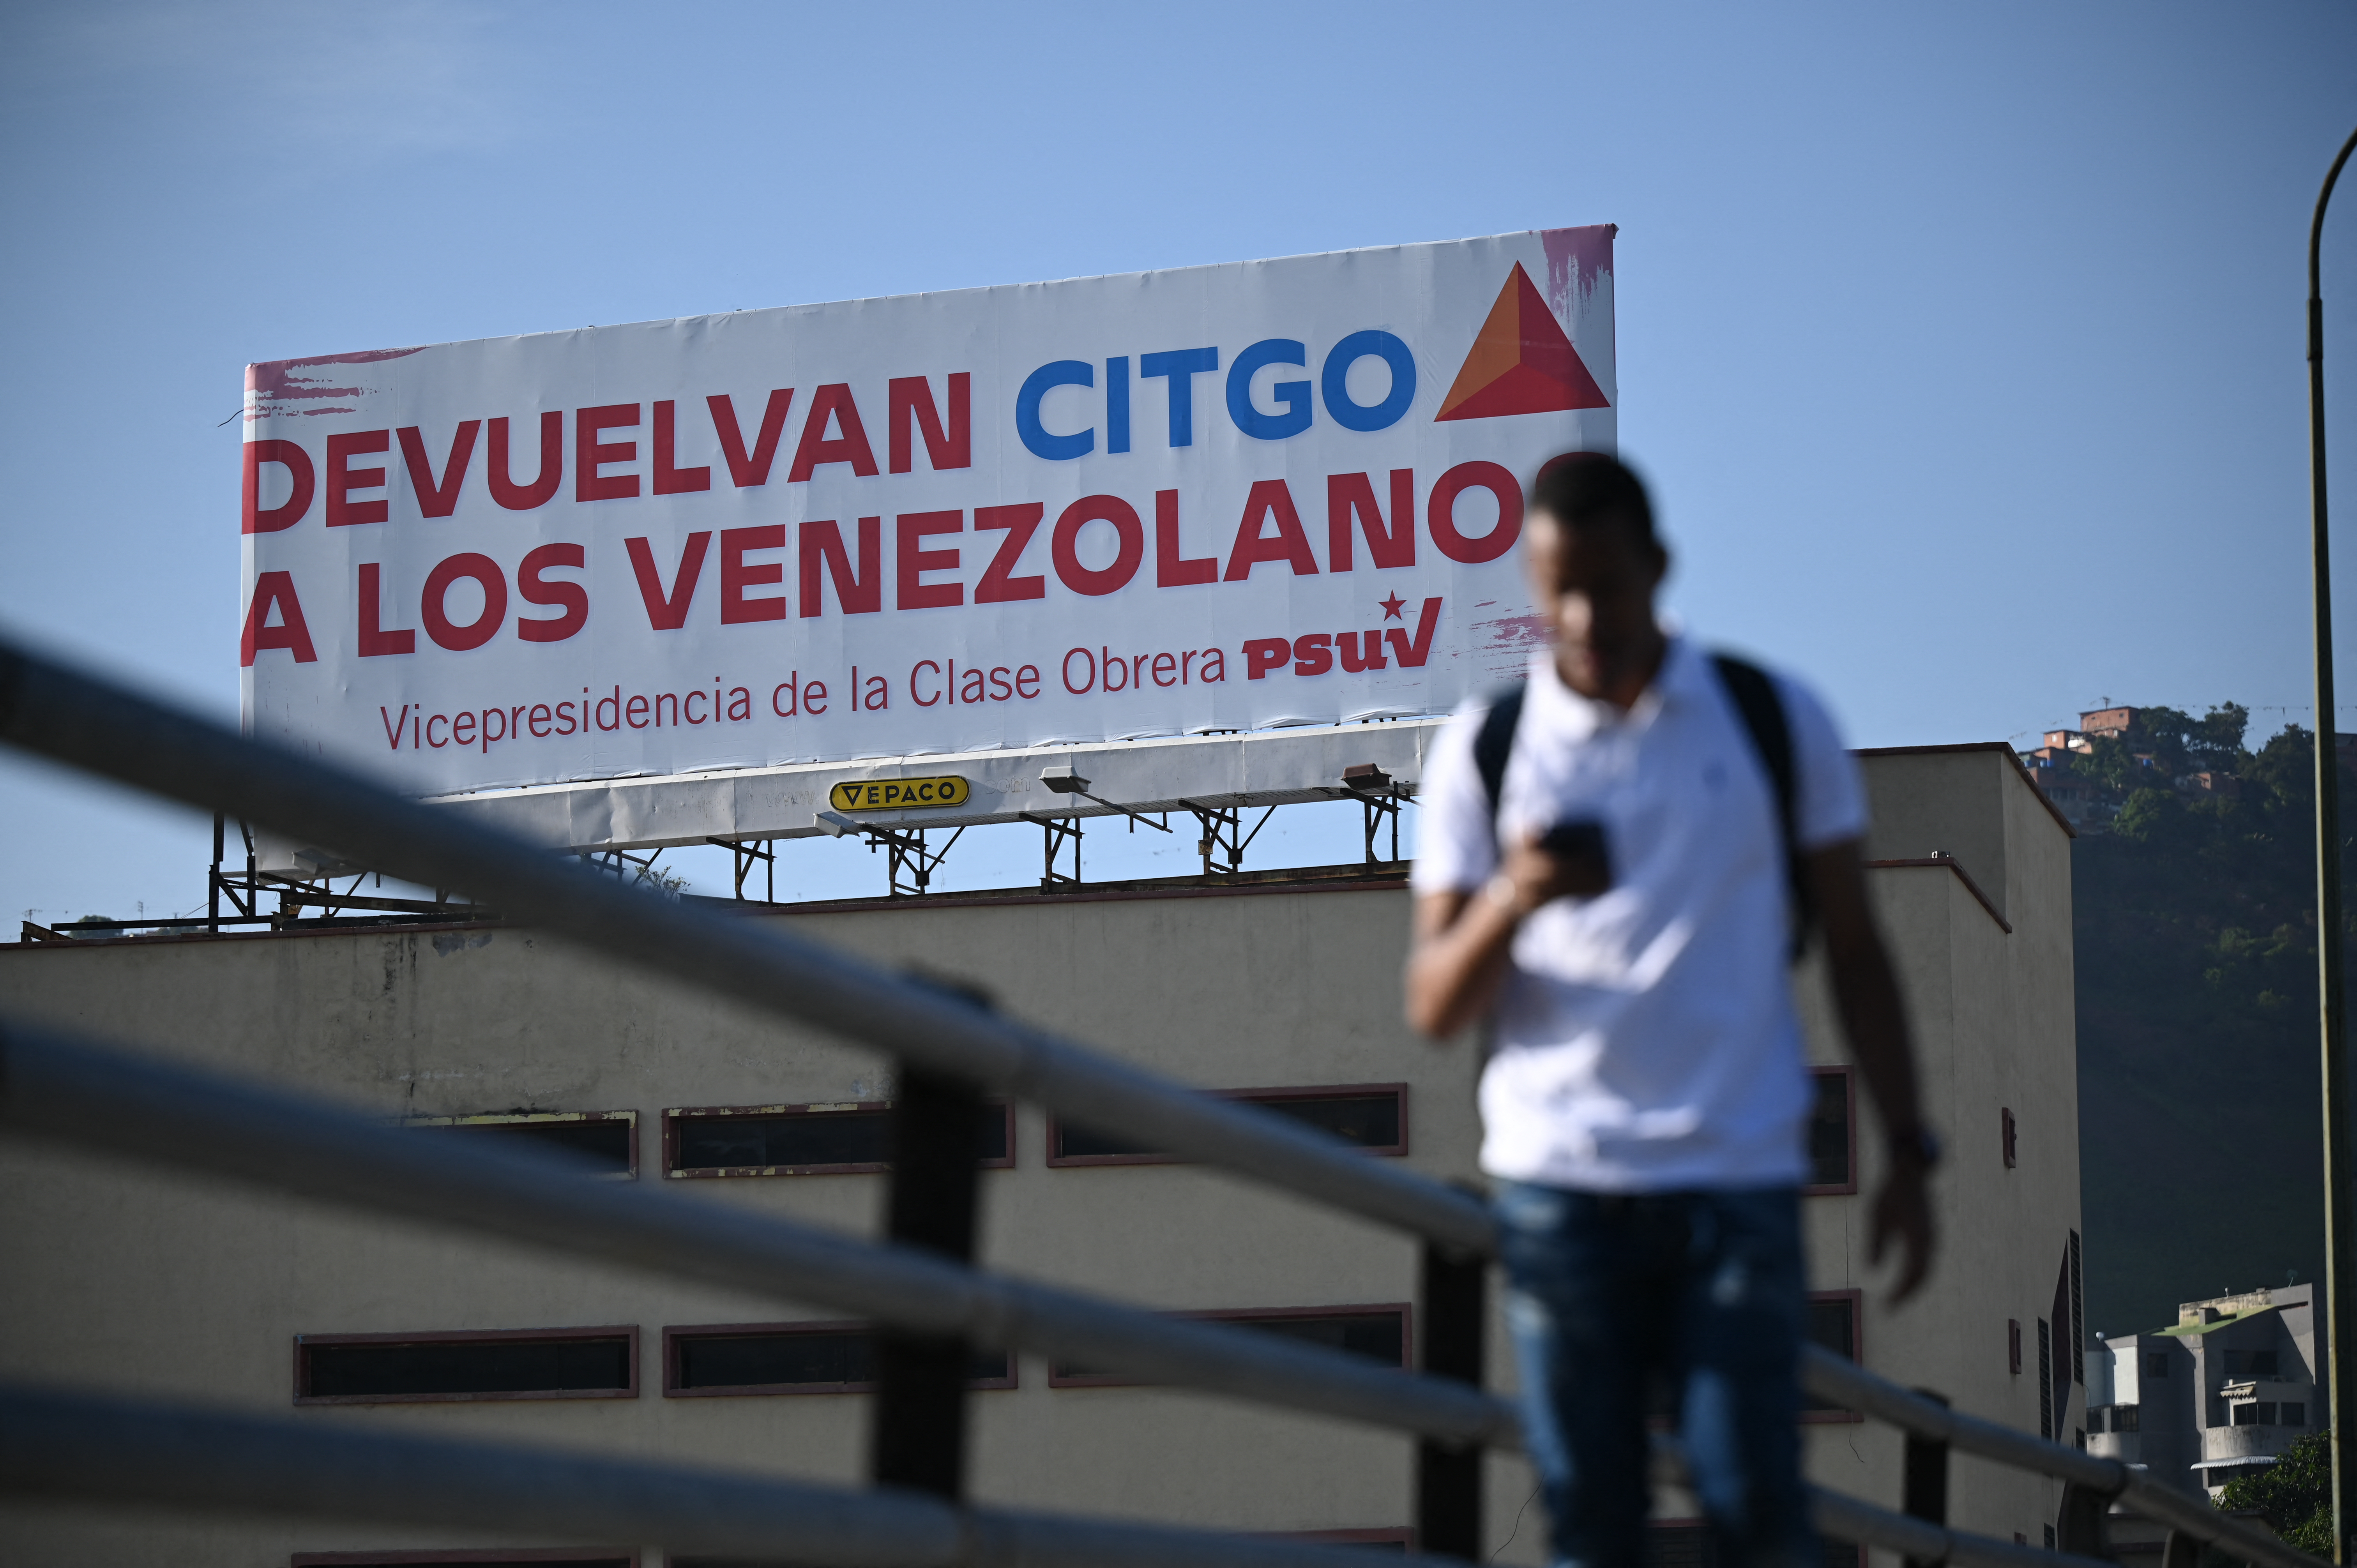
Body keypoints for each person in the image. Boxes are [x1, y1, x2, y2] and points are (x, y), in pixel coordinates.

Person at [1404, 453, 1936, 1568]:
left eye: (1609, 582)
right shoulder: (1487, 749)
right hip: (1560, 1186)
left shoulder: (1772, 719)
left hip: (1735, 1179)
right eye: (1560, 589)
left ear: (1658, 566)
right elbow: (1435, 1004)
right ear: (1535, 587)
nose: (1587, 616)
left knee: (1756, 1510)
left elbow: (1856, 948)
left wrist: (1909, 1151)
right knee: (1592, 1524)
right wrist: (1517, 895)